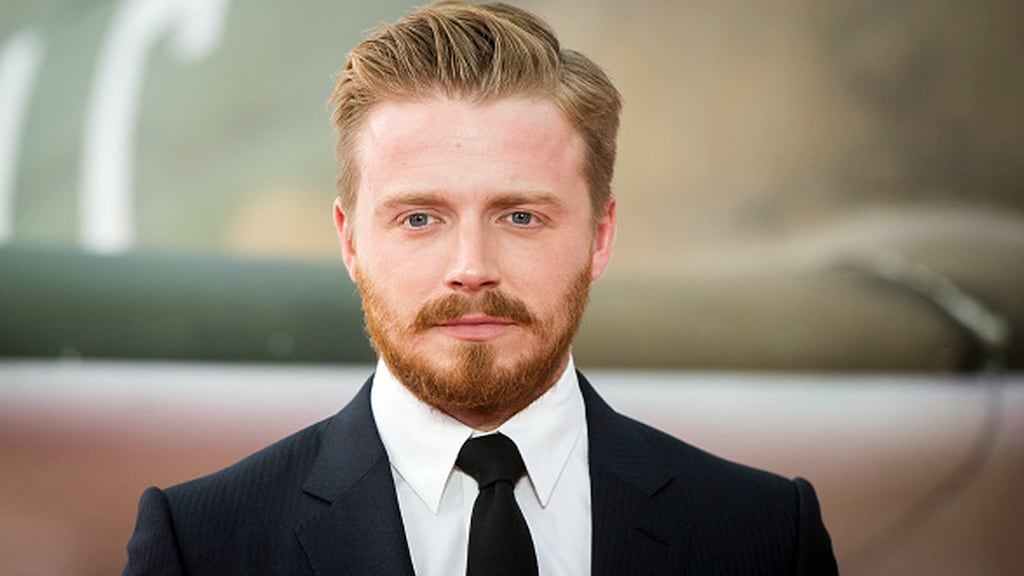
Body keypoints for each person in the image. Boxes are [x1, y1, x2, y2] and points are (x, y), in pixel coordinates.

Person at [123, 1, 838, 574]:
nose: (471, 266)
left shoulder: (766, 537)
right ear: (348, 239)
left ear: (601, 235)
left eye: (521, 216)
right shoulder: (201, 546)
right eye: (420, 217)